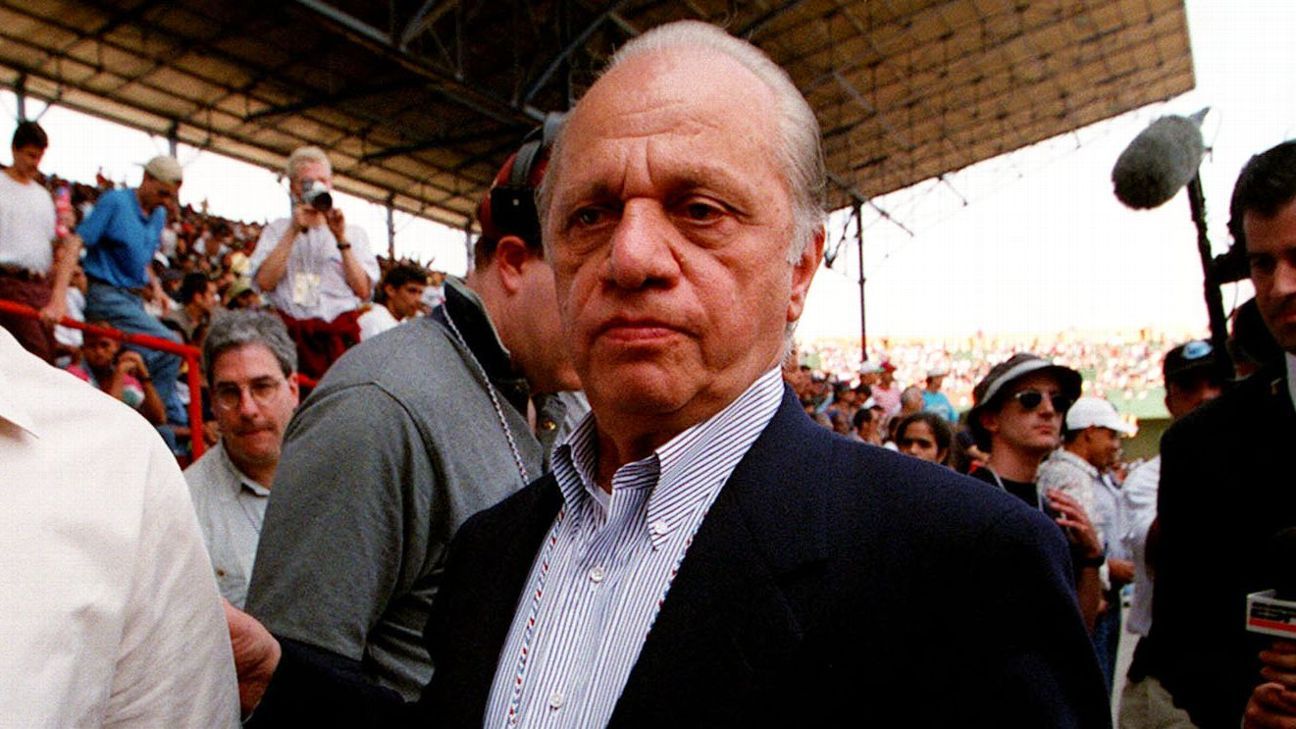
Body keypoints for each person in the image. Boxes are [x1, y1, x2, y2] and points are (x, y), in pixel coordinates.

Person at [228, 20, 1108, 727]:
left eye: (699, 209)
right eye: (590, 214)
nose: (632, 255)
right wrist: (285, 685)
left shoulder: (962, 564)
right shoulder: (490, 549)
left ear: (801, 267)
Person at [239, 132, 582, 705]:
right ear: (513, 261)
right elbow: (288, 687)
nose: (612, 308)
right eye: (586, 277)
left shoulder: (561, 395)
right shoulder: (376, 407)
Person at [1133, 140, 1296, 728]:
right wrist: (1245, 708)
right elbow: (1183, 642)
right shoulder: (1199, 447)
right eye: (1262, 264)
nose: (1280, 286)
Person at [0, 326, 238, 727]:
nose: (99, 351)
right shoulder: (81, 379)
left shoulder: (121, 450)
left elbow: (154, 416)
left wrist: (141, 377)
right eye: (93, 344)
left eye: (107, 345)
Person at [1119, 339, 1223, 727]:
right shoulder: (1146, 479)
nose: (1205, 396)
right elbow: (1162, 552)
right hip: (1170, 669)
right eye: (1190, 387)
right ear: (1169, 401)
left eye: (1216, 383)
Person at [967, 353, 1105, 629]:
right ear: (990, 419)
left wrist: (1092, 556)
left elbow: (1079, 629)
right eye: (1030, 399)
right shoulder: (966, 503)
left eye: (1059, 401)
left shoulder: (1058, 510)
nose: (1048, 410)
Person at [185, 310, 299, 609]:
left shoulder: (342, 473)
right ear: (212, 404)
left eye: (262, 387)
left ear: (293, 389)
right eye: (229, 393)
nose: (247, 409)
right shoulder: (186, 507)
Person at [249, 146, 379, 380]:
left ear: (330, 184)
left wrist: (340, 238)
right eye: (307, 183)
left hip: (338, 337)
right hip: (289, 335)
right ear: (293, 187)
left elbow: (363, 290)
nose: (316, 187)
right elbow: (264, 283)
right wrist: (293, 231)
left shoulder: (353, 233)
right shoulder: (277, 230)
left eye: (322, 181)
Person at [78, 154, 188, 426]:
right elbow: (74, 242)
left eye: (171, 196)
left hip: (133, 298)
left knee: (154, 358)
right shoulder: (115, 202)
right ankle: (153, 424)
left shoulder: (158, 215)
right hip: (106, 296)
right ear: (147, 178)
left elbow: (142, 259)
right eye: (163, 193)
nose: (166, 201)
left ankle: (154, 421)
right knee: (171, 348)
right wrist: (58, 299)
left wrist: (157, 288)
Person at [1037, 395, 1136, 693]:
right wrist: (1103, 577)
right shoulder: (1069, 476)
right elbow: (1079, 540)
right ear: (1089, 432)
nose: (1116, 445)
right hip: (1094, 600)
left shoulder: (1090, 475)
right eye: (1111, 435)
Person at [0, 120, 81, 362]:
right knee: (38, 355)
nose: (35, 162)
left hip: (39, 284)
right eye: (30, 155)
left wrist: (66, 226)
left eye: (39, 157)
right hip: (8, 280)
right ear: (15, 150)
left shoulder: (44, 196)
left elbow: (53, 243)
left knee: (45, 355)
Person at [67, 321, 168, 426]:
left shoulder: (127, 380)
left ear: (116, 346)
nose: (99, 352)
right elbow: (107, 418)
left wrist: (144, 376)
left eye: (104, 345)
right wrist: (119, 375)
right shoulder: (74, 374)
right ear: (84, 348)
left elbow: (159, 419)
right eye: (92, 346)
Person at [357, 262, 428, 340]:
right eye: (412, 291)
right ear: (390, 290)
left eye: (420, 293)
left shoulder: (403, 322)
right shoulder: (373, 320)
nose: (418, 299)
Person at [167, 271, 219, 343]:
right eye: (212, 295)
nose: (215, 300)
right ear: (198, 297)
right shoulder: (173, 321)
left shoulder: (208, 322)